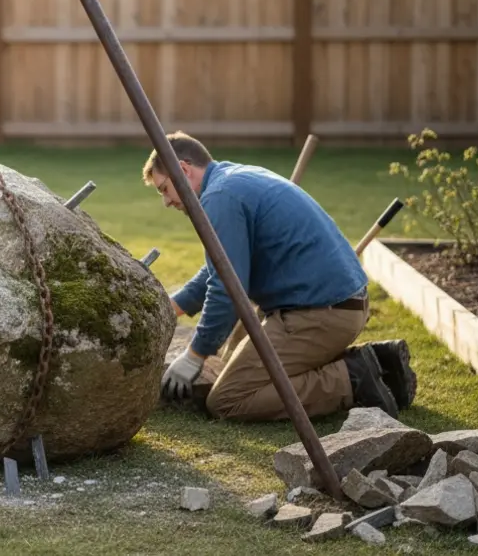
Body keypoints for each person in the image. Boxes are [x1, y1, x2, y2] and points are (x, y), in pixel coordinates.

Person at [144, 131, 416, 421]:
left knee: (227, 399)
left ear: (184, 170)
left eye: (164, 189)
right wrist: (169, 310)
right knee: (228, 360)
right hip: (332, 303)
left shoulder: (218, 197)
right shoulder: (231, 179)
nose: (166, 201)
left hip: (321, 314)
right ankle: (379, 362)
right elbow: (218, 269)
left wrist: (195, 355)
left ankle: (352, 378)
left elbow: (226, 289)